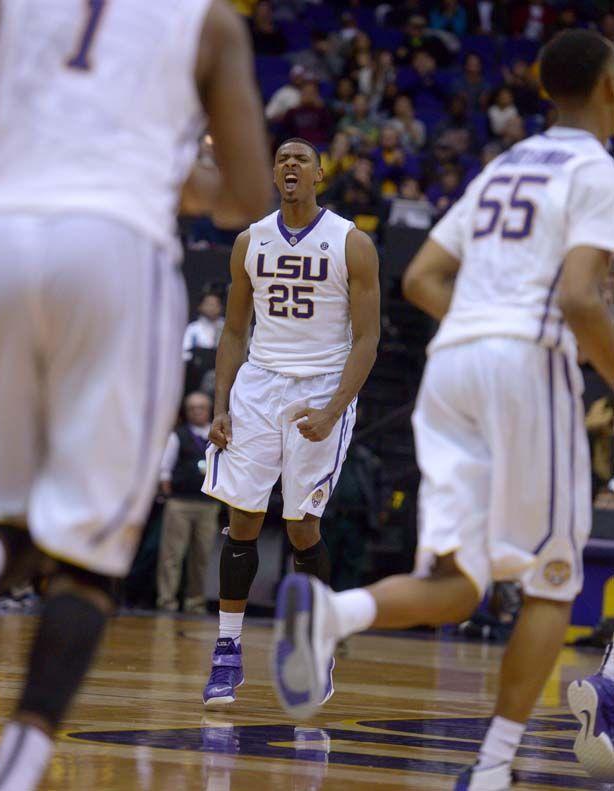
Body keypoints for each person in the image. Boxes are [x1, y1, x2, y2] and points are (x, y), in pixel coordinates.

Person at [272, 29, 614, 791]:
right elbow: (581, 297)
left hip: (451, 364)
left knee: (460, 582)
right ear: (608, 87)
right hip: (523, 365)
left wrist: (484, 322)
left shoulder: (501, 168)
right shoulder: (596, 171)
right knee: (554, 581)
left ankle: (334, 614)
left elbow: (423, 276)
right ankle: (492, 769)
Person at [0, 2, 271, 791]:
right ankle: (16, 768)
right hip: (116, 242)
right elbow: (249, 199)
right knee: (93, 553)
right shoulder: (208, 23)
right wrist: (183, 182)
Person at [200, 137, 380, 707]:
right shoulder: (249, 241)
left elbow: (368, 338)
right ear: (274, 175)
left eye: (301, 158)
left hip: (322, 386)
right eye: (281, 158)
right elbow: (233, 331)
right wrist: (222, 402)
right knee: (244, 518)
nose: (290, 165)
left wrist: (332, 411)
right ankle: (227, 654)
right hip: (258, 383)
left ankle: (314, 643)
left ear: (321, 174)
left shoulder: (352, 242)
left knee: (302, 526)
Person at [157, 392, 220, 614]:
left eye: (201, 407)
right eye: (192, 408)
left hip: (208, 505)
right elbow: (165, 470)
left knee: (201, 555)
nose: (197, 411)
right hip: (180, 503)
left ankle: (195, 602)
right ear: (187, 411)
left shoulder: (217, 434)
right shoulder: (178, 435)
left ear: (209, 409)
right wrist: (170, 496)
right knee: (172, 555)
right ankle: (167, 601)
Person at [183, 291, 225, 362]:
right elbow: (185, 353)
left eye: (215, 304)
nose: (212, 308)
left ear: (221, 307)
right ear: (200, 307)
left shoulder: (226, 327)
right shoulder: (193, 328)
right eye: (208, 304)